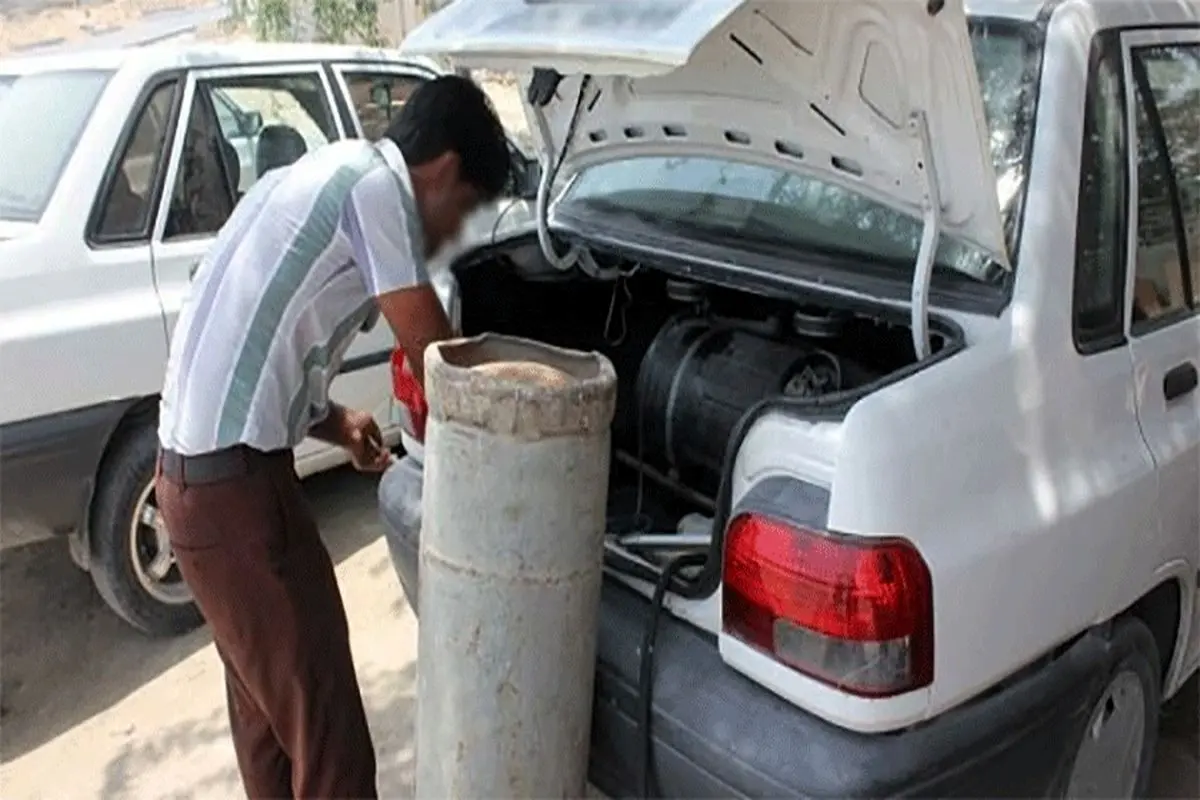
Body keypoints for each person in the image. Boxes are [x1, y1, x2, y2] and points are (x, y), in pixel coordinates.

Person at [154, 75, 512, 799]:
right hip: (239, 497)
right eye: (465, 209)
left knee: (271, 730)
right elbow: (438, 360)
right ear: (445, 171)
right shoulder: (376, 188)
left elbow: (264, 341)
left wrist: (335, 420)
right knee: (332, 750)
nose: (453, 237)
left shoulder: (308, 174)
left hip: (190, 488)